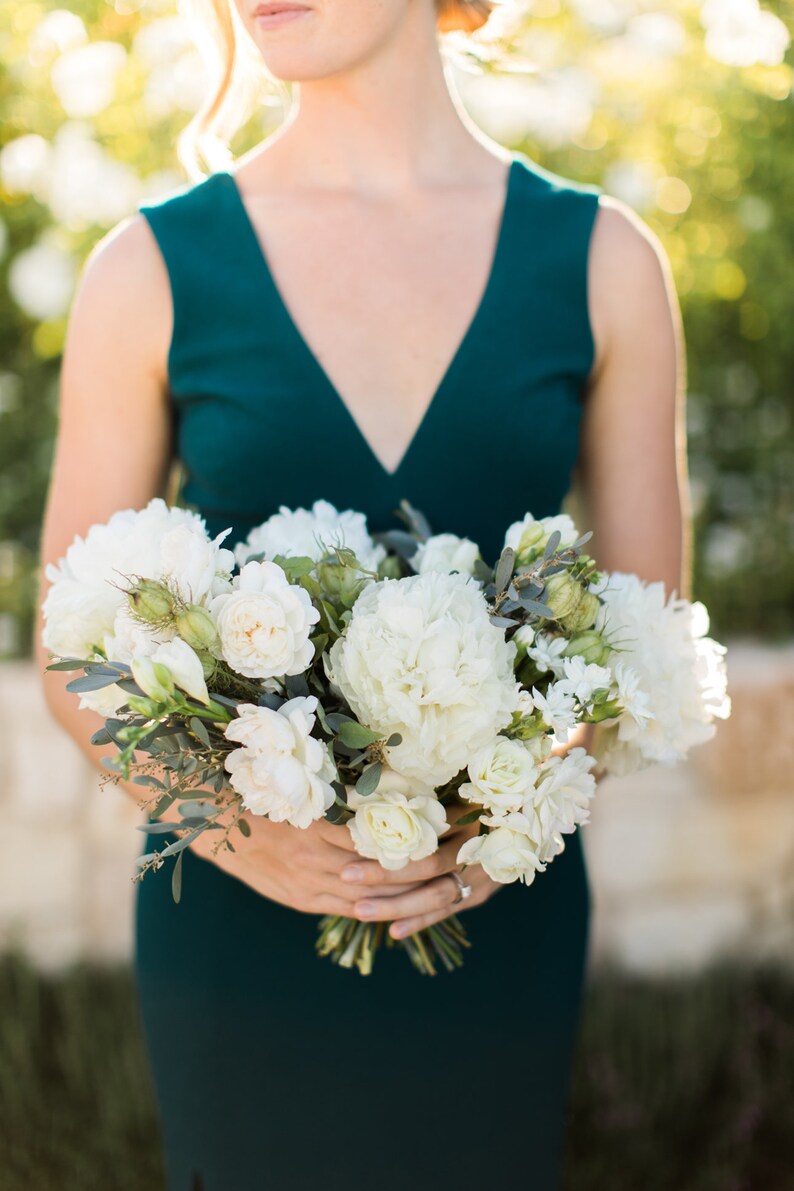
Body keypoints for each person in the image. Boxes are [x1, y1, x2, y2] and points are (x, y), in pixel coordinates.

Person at [35, 1, 689, 1187]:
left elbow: (647, 634)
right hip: (238, 933)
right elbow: (67, 644)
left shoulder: (604, 262)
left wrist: (502, 834)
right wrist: (244, 840)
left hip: (493, 924)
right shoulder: (149, 267)